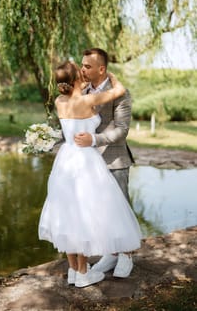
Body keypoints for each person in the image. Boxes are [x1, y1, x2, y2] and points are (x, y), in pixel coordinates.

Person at [38, 60, 141, 288]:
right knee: (82, 214)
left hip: (65, 159)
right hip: (85, 159)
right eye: (80, 69)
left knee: (67, 212)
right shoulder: (88, 100)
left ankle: (74, 271)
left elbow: (74, 107)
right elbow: (119, 91)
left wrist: (79, 83)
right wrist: (109, 73)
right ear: (76, 78)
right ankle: (84, 273)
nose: (84, 71)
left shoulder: (59, 101)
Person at [74, 48, 135, 278]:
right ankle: (110, 253)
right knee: (100, 211)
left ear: (102, 69)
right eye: (82, 65)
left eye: (88, 66)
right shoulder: (82, 91)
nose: (83, 69)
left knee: (122, 209)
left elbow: (121, 130)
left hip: (115, 160)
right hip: (90, 163)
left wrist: (94, 139)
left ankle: (127, 254)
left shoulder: (119, 92)